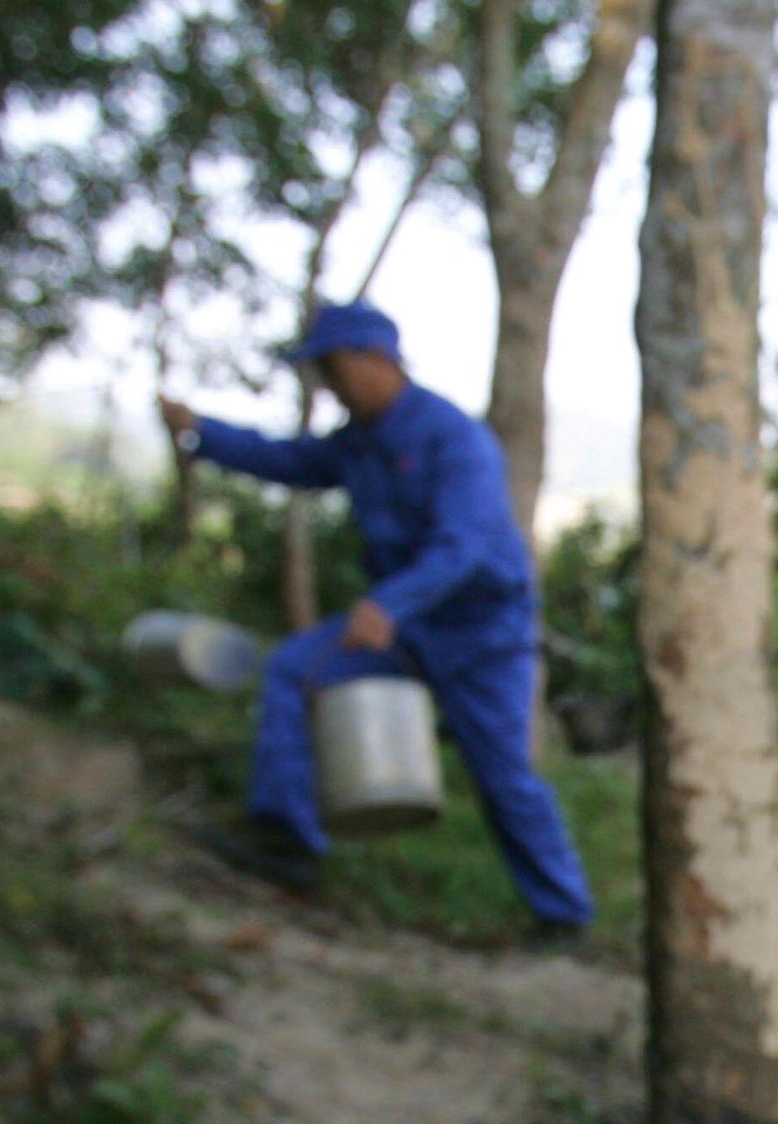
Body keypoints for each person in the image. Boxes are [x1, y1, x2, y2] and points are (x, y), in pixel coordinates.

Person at [159, 300, 592, 944]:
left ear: (375, 360)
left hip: (483, 637)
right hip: (403, 628)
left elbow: (464, 545)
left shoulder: (453, 438)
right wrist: (204, 433)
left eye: (332, 370)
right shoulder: (357, 442)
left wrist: (388, 604)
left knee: (504, 778)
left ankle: (562, 914)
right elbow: (290, 462)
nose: (329, 386)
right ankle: (290, 842)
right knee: (294, 669)